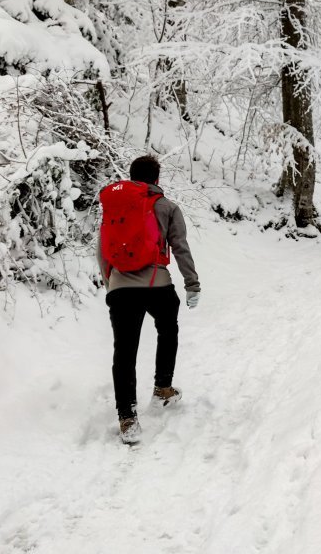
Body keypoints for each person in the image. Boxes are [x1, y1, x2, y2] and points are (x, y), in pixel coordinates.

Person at [97, 155, 200, 444]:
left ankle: (127, 418)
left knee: (125, 350)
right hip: (157, 284)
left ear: (131, 177)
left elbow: (102, 249)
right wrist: (192, 284)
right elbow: (180, 246)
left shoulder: (115, 206)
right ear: (157, 179)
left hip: (119, 286)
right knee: (168, 330)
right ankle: (162, 388)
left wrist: (112, 283)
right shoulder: (167, 207)